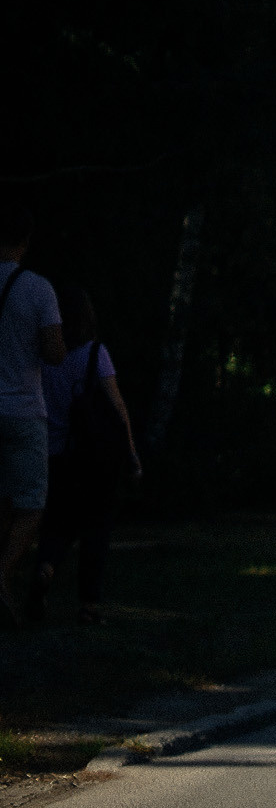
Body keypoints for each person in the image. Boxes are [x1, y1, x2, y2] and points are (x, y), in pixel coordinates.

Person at [36, 285, 142, 626]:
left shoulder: (46, 357)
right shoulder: (95, 353)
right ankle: (89, 606)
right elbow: (117, 406)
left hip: (55, 453)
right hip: (92, 458)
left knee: (58, 524)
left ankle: (45, 567)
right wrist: (131, 454)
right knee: (96, 528)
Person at [0, 193, 67, 630]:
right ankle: (2, 571)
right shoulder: (39, 288)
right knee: (30, 505)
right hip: (24, 410)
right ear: (25, 241)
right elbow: (55, 352)